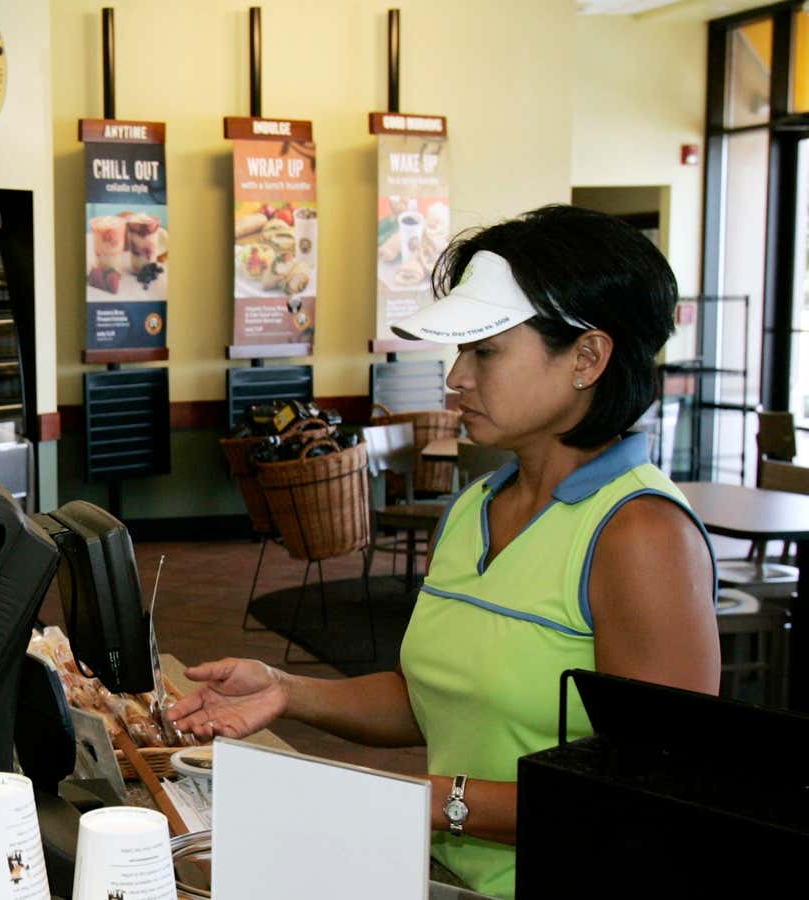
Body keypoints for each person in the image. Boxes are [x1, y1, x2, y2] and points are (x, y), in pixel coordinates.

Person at [169, 205, 720, 899]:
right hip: (444, 875)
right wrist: (286, 691)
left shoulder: (640, 536)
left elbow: (657, 791)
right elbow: (427, 699)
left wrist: (434, 802)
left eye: (485, 352)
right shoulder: (477, 507)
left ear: (587, 358)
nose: (456, 378)